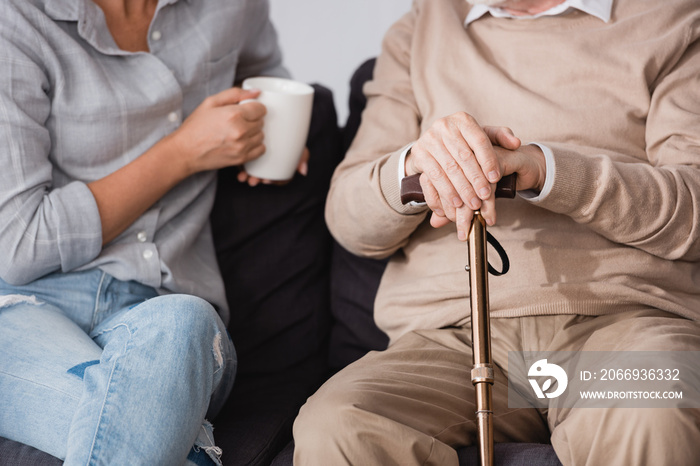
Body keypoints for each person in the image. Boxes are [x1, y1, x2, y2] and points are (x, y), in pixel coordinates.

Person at [292, 0, 700, 465]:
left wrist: (545, 170)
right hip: (454, 343)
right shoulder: (422, 27)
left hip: (620, 327)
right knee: (338, 423)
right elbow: (350, 221)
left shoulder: (673, 18)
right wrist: (417, 166)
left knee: (654, 404)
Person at [0, 0, 300, 464]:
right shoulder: (15, 18)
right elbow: (18, 243)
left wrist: (272, 139)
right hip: (26, 305)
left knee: (186, 321)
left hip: (163, 313)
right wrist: (182, 153)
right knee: (157, 428)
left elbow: (266, 76)